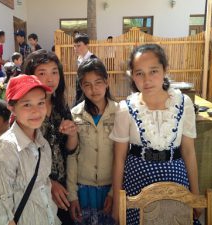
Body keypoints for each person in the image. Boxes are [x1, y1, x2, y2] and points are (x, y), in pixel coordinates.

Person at [110, 44, 201, 225]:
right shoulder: (125, 108)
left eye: (153, 71)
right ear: (132, 75)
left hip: (176, 183)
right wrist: (116, 203)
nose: (147, 80)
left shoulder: (184, 103)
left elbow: (189, 151)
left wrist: (195, 195)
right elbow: (119, 158)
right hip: (137, 182)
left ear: (165, 70)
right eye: (139, 73)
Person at [0, 75, 61, 225]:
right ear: (12, 108)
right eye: (27, 105)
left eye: (41, 103)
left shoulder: (42, 143)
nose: (36, 111)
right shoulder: (6, 149)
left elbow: (43, 187)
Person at [24, 50, 78, 225]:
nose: (50, 79)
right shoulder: (25, 110)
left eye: (54, 72)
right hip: (35, 188)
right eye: (42, 73)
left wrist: (72, 134)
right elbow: (23, 157)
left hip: (63, 186)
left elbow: (69, 150)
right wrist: (50, 184)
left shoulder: (61, 106)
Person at [67, 58, 116, 225]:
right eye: (87, 84)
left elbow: (123, 156)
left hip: (110, 187)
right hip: (83, 189)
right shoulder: (75, 115)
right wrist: (72, 195)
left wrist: (113, 192)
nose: (94, 89)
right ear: (81, 87)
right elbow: (72, 156)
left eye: (98, 82)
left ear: (107, 82)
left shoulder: (120, 113)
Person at [73, 33, 97, 105]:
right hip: (80, 93)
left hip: (88, 95)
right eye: (74, 46)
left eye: (79, 45)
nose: (76, 48)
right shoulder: (79, 58)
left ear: (87, 45)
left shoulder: (93, 60)